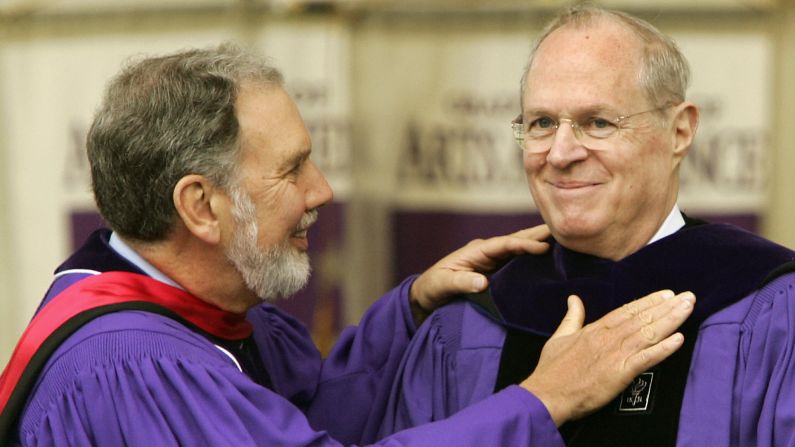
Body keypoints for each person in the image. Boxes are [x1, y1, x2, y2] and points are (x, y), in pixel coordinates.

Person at [0, 44, 694, 446]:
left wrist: (411, 309)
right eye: (291, 167)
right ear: (200, 206)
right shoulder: (136, 369)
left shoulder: (208, 312)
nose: (322, 190)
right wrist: (541, 400)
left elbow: (308, 415)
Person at [375, 5, 795, 447]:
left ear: (680, 132)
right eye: (542, 123)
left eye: (597, 123)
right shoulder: (466, 327)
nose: (560, 153)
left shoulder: (769, 310)